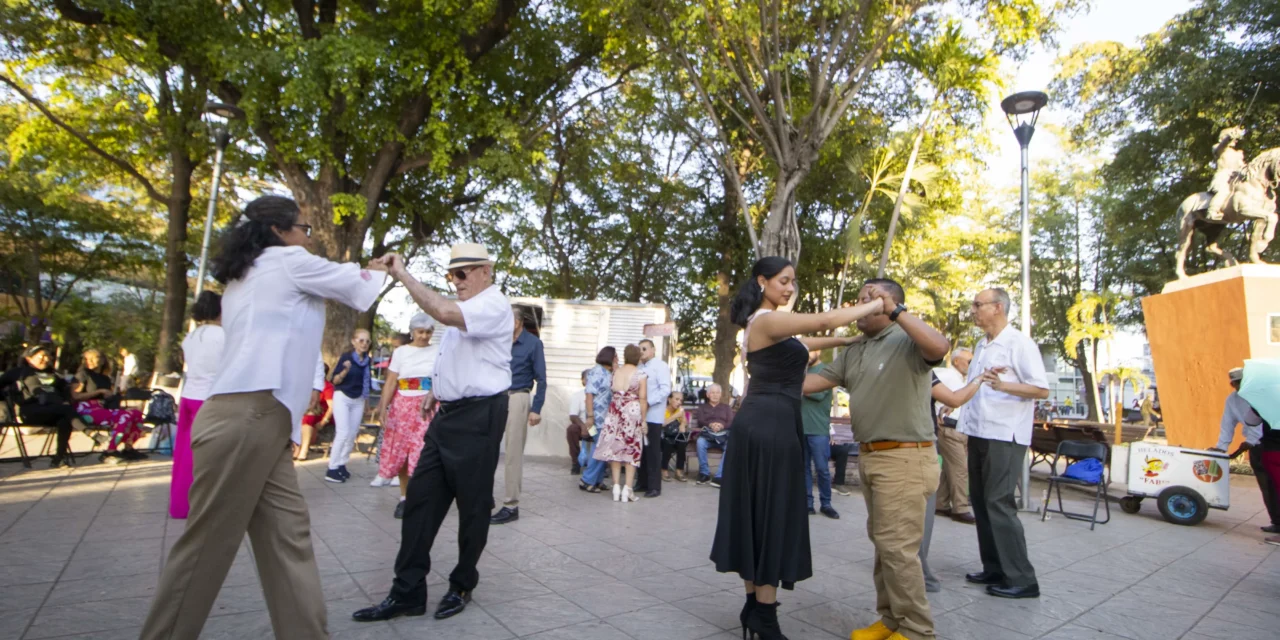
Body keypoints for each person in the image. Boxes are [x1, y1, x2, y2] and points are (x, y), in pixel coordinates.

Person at [138, 195, 388, 640]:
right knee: (206, 548)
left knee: (287, 539)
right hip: (247, 417)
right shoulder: (287, 261)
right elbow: (355, 283)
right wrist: (386, 267)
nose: (309, 237)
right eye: (305, 228)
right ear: (279, 231)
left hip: (257, 420)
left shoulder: (246, 275)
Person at [712, 257, 883, 640]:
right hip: (769, 427)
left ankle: (755, 608)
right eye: (783, 281)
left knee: (757, 514)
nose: (789, 288)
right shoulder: (768, 319)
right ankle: (765, 617)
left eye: (793, 282)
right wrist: (876, 304)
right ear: (763, 281)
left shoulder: (768, 324)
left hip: (767, 423)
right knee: (770, 515)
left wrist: (847, 340)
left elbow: (807, 341)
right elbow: (821, 321)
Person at [352, 243, 513, 623]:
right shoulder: (470, 310)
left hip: (479, 417)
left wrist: (403, 274)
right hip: (447, 416)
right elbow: (460, 360)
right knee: (420, 501)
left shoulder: (492, 304)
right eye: (450, 275)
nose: (455, 282)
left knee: (473, 507)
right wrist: (435, 390)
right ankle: (407, 591)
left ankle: (461, 584)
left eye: (462, 274)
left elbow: (441, 310)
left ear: (485, 272)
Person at [804, 278, 951, 640]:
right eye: (860, 298)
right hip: (872, 457)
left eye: (868, 298)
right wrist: (770, 359)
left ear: (890, 302)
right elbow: (808, 384)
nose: (860, 304)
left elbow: (940, 347)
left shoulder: (907, 340)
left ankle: (917, 631)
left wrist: (897, 313)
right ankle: (890, 621)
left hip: (905, 458)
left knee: (898, 548)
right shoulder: (857, 349)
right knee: (885, 544)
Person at [957, 287, 1049, 600]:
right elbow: (976, 387)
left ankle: (1023, 578)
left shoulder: (1019, 343)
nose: (973, 309)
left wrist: (1003, 384)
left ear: (998, 307)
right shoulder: (982, 346)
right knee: (981, 501)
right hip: (979, 431)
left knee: (998, 501)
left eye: (978, 304)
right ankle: (995, 567)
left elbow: (1041, 389)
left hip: (1005, 435)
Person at [370, 314, 440, 518]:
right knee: (403, 452)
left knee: (424, 452)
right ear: (412, 332)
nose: (424, 336)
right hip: (402, 405)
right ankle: (404, 497)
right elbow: (391, 381)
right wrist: (383, 407)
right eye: (420, 332)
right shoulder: (401, 352)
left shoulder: (437, 351)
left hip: (427, 405)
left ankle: (425, 497)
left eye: (428, 332)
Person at [1, 344, 103, 468]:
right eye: (42, 356)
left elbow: (65, 391)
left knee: (64, 420)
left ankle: (59, 458)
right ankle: (91, 434)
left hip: (55, 411)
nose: (46, 359)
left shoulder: (53, 374)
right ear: (29, 358)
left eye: (48, 356)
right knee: (65, 410)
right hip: (31, 411)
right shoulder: (19, 372)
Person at [491, 306, 547, 525]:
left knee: (513, 453)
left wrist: (536, 409)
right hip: (495, 397)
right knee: (486, 449)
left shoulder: (533, 344)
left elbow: (541, 379)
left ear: (516, 322)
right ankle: (485, 498)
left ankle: (511, 505)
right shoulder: (498, 342)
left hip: (518, 397)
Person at [1209, 367, 1278, 534]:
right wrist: (1222, 446)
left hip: (1270, 443)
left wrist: (1251, 441)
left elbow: (1262, 423)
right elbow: (1227, 424)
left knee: (1276, 484)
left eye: (1241, 381)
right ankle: (1277, 521)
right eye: (1235, 383)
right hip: (1257, 448)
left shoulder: (1262, 396)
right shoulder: (1232, 400)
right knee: (1267, 486)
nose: (1238, 386)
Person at [173, 291, 224, 518]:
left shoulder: (190, 337)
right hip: (209, 398)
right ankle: (203, 503)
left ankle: (180, 503)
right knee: (208, 454)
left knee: (184, 452)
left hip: (189, 396)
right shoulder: (223, 336)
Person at [593, 344, 648, 502]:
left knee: (614, 448)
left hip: (615, 412)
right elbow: (643, 399)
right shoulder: (641, 374)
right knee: (631, 449)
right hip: (631, 412)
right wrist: (643, 420)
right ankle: (628, 489)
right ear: (637, 357)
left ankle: (616, 487)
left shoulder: (615, 372)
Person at [72, 349, 148, 461]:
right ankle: (110, 451)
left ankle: (128, 448)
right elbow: (75, 396)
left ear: (102, 360)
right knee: (124, 416)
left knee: (136, 413)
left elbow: (106, 396)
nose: (90, 361)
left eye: (94, 358)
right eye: (87, 359)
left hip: (101, 408)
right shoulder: (82, 374)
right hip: (85, 409)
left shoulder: (105, 378)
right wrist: (99, 392)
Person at [932, 348, 978, 524]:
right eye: (968, 361)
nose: (970, 365)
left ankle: (941, 504)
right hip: (949, 427)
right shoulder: (947, 375)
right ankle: (960, 508)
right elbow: (929, 392)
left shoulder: (962, 379)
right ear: (956, 361)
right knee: (960, 468)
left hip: (960, 428)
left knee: (950, 469)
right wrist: (936, 415)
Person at [326, 328, 373, 483]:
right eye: (361, 340)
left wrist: (366, 402)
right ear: (353, 341)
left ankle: (341, 464)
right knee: (343, 432)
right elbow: (335, 381)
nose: (364, 344)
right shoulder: (346, 358)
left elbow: (366, 383)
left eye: (367, 341)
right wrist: (345, 370)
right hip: (343, 396)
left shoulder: (367, 360)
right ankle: (332, 468)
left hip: (358, 399)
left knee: (352, 433)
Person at [801, 351, 839, 519]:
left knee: (822, 469)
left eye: (811, 350)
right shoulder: (801, 372)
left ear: (819, 351)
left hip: (818, 430)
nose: (807, 354)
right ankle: (808, 503)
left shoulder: (826, 371)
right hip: (800, 429)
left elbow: (818, 394)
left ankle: (826, 503)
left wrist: (797, 386)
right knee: (804, 469)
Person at [633, 339, 671, 498]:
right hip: (638, 415)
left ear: (653, 350)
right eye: (639, 349)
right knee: (640, 449)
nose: (641, 351)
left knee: (653, 451)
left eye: (644, 348)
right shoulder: (638, 367)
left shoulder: (660, 366)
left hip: (653, 415)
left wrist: (648, 402)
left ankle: (654, 486)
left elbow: (665, 389)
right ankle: (642, 482)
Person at [579, 347, 617, 492]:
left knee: (603, 448)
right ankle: (587, 479)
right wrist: (590, 417)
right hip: (596, 419)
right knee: (600, 448)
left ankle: (598, 479)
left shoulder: (608, 373)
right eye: (616, 357)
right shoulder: (597, 372)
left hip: (606, 419)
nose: (617, 360)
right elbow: (589, 395)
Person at [694, 383, 734, 486]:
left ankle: (719, 476)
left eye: (717, 393)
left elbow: (731, 421)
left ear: (720, 394)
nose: (715, 395)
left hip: (723, 436)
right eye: (712, 392)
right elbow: (700, 420)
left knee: (730, 445)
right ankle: (704, 473)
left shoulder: (726, 408)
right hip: (708, 435)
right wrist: (710, 424)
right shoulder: (702, 408)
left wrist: (721, 425)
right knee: (700, 442)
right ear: (707, 395)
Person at [1206, 126, 1246, 221]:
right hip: (1224, 177)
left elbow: (1242, 167)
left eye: (1236, 139)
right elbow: (1222, 146)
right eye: (1234, 138)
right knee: (1224, 191)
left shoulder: (1238, 154)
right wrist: (1228, 137)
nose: (1236, 141)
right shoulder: (1218, 148)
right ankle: (1212, 211)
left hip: (1236, 178)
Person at [299, 361, 333, 462]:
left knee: (309, 417)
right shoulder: (307, 384)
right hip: (309, 410)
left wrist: (323, 421)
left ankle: (304, 450)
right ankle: (296, 448)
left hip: (322, 413)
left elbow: (332, 407)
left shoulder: (327, 386)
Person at [660, 391, 689, 482]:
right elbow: (663, 424)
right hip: (663, 437)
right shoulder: (663, 410)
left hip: (676, 437)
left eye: (681, 400)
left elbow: (685, 422)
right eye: (676, 399)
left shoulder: (680, 410)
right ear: (669, 399)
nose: (679, 402)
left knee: (682, 443)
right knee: (668, 442)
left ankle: (679, 471)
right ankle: (664, 470)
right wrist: (676, 415)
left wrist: (682, 424)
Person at [566, 369, 590, 474]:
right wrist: (583, 426)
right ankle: (576, 463)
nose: (590, 381)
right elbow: (573, 415)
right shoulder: (578, 396)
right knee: (571, 429)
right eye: (587, 379)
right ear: (583, 381)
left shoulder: (600, 395)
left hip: (595, 426)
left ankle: (601, 465)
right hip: (582, 426)